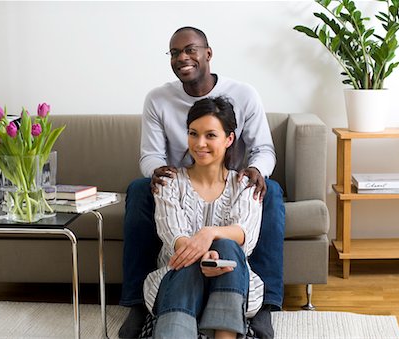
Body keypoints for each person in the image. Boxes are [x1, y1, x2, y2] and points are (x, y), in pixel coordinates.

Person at [119, 26, 285, 339]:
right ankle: (138, 302)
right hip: (180, 182)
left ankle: (265, 304)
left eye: (190, 50)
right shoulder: (158, 99)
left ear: (207, 54)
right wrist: (163, 176)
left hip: (233, 178)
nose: (182, 57)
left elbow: (264, 149)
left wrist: (255, 173)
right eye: (174, 53)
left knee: (269, 190)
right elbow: (149, 156)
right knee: (141, 188)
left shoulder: (244, 94)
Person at [144, 96, 263, 338]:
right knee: (186, 262)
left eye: (210, 135)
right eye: (193, 133)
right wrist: (201, 255)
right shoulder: (168, 182)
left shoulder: (245, 185)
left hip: (232, 283)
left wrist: (209, 233)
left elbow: (245, 236)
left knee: (228, 246)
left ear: (229, 139)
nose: (200, 143)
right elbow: (173, 237)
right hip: (177, 278)